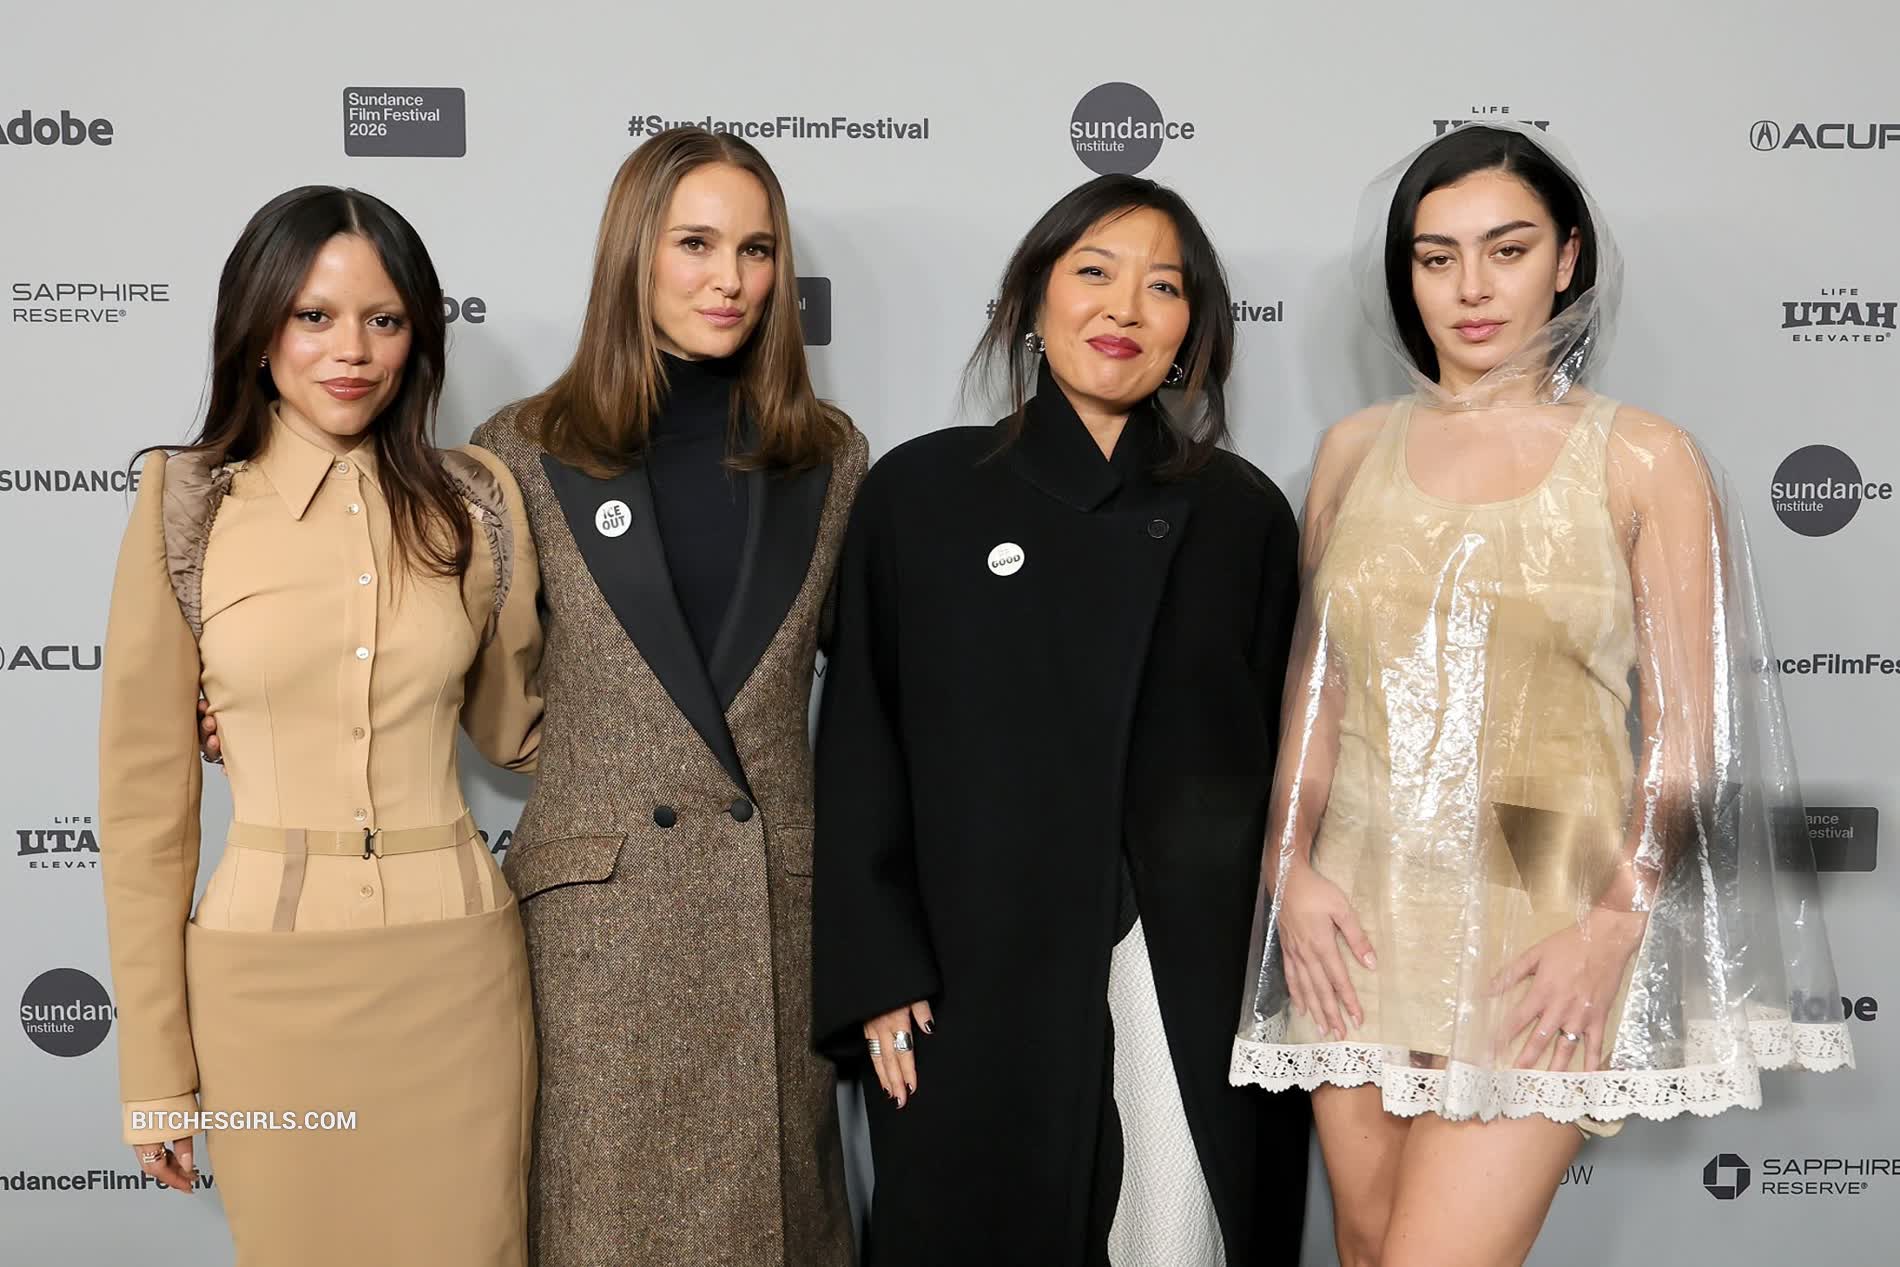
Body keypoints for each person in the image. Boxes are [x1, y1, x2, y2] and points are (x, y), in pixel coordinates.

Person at [1228, 120, 1855, 1267]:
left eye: (1505, 250)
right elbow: (1317, 689)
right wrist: (1291, 873)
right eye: (1436, 257)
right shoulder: (1351, 451)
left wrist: (1612, 927)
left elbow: (1687, 734)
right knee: (1364, 1253)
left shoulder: (1644, 457)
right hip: (1353, 924)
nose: (1469, 288)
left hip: (1538, 927)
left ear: (1566, 259)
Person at [811, 173, 1311, 1266]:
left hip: (1185, 960)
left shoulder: (1241, 514)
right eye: (1094, 271)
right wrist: (877, 967)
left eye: (1163, 286)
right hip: (974, 966)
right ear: (1034, 298)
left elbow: (1290, 763)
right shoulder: (922, 494)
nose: (1124, 307)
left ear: (1191, 331)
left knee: (1181, 1230)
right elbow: (860, 745)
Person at [99, 186, 543, 1265]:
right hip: (265, 990)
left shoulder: (477, 501)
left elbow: (516, 731)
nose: (352, 351)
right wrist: (155, 1072)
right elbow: (145, 814)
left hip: (458, 979)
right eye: (314, 316)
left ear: (417, 337)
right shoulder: (184, 501)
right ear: (258, 329)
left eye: (384, 320)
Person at [468, 128, 863, 1265]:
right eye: (695, 243)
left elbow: (883, 691)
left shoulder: (831, 457)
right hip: (599, 931)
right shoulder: (521, 450)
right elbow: (456, 668)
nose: (729, 278)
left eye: (756, 249)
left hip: (771, 919)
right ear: (633, 255)